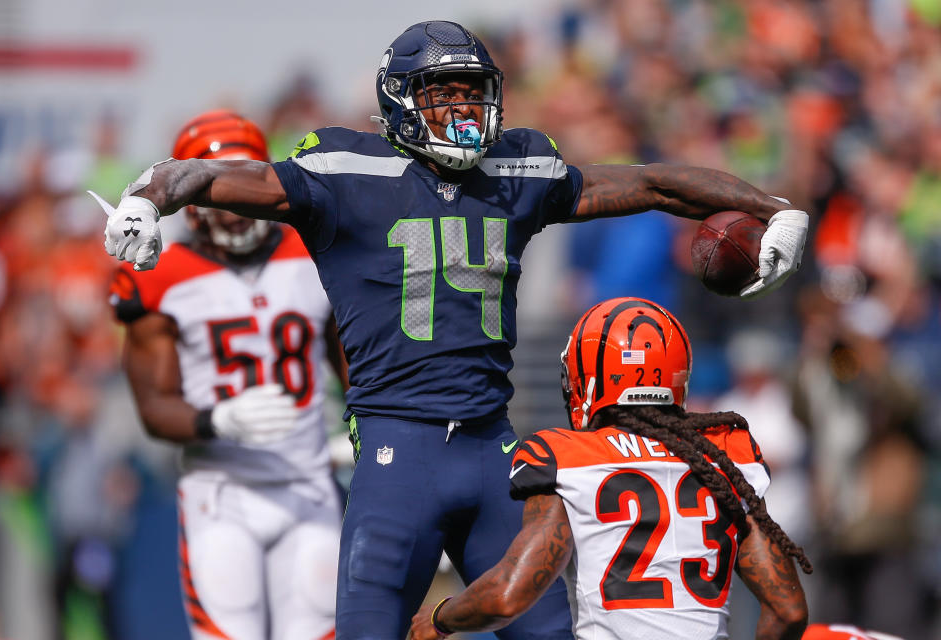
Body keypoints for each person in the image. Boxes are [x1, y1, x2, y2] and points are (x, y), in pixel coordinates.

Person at [94, 21, 809, 639]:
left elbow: (651, 183)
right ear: (400, 100)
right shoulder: (345, 170)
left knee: (546, 630)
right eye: (444, 93)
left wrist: (772, 206)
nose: (464, 108)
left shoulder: (515, 171)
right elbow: (208, 176)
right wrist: (146, 199)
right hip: (395, 453)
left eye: (473, 91)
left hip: (490, 446)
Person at [409, 297, 811, 640]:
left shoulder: (568, 456)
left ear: (589, 378)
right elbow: (788, 610)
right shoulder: (721, 456)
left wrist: (440, 617)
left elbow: (508, 595)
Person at [104, 110, 347, 640]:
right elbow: (153, 408)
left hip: (309, 485)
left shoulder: (317, 255)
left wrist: (364, 438)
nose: (233, 214)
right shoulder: (161, 274)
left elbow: (359, 371)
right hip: (222, 493)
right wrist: (217, 419)